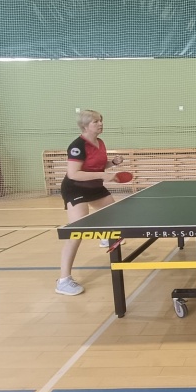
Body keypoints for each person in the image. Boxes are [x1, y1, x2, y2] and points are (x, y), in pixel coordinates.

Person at [56, 110, 124, 295]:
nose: (100, 123)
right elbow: (74, 173)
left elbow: (96, 165)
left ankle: (104, 237)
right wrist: (104, 175)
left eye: (101, 120)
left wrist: (112, 163)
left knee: (114, 212)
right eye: (96, 121)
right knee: (77, 231)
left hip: (94, 187)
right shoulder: (77, 146)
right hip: (75, 188)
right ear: (85, 126)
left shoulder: (100, 142)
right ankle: (63, 280)